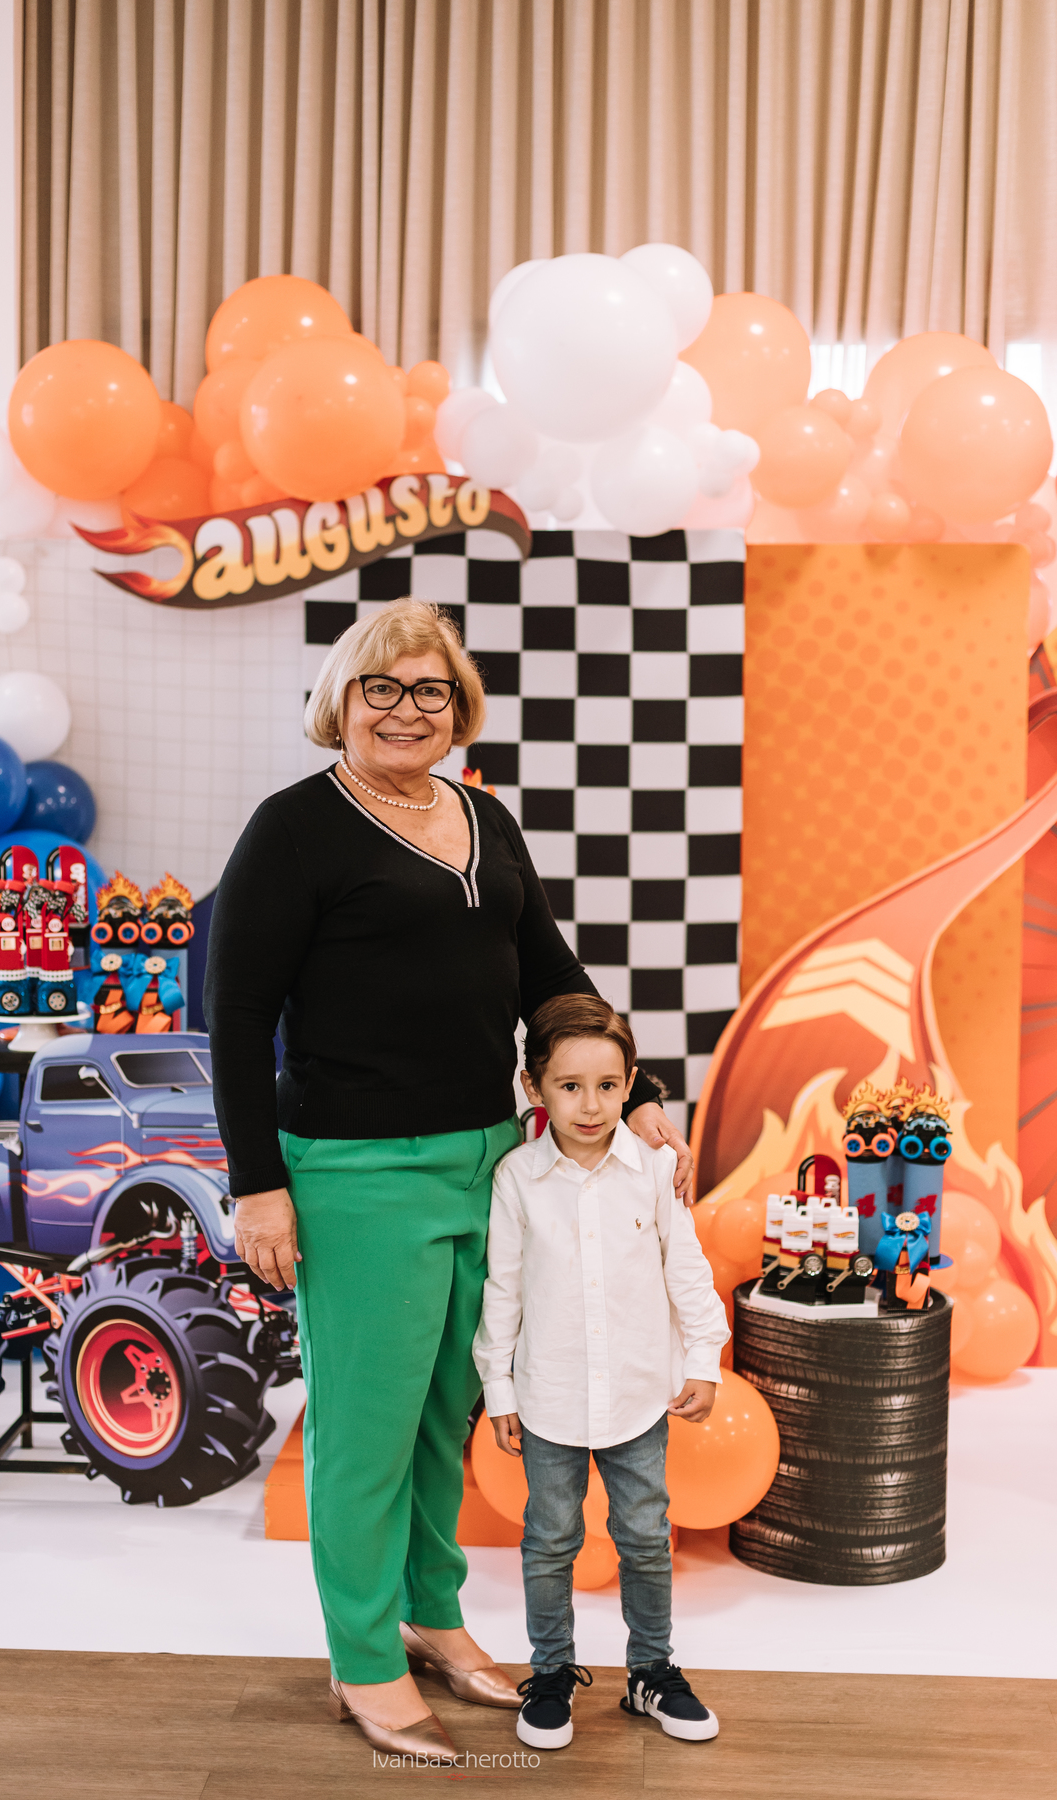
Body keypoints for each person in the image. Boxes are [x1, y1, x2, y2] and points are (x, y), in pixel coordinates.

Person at [204, 599, 696, 1765]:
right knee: (366, 1430)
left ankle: (430, 1614)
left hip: (487, 1159)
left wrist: (635, 1084)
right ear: (342, 701)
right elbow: (235, 1016)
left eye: (429, 690)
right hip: (356, 1173)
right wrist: (257, 1183)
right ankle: (361, 1656)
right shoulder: (293, 829)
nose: (405, 710)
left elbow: (547, 969)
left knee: (445, 1415)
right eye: (380, 688)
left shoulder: (483, 816)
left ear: (458, 707)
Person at [474, 992, 728, 1752]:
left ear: (631, 1083)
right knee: (550, 1539)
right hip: (549, 1396)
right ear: (534, 1087)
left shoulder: (654, 1169)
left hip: (638, 1395)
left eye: (608, 1086)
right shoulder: (517, 1178)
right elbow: (503, 1290)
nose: (591, 1105)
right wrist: (499, 1388)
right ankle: (551, 1673)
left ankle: (652, 1671)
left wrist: (703, 1358)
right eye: (570, 1086)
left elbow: (686, 1269)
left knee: (644, 1536)